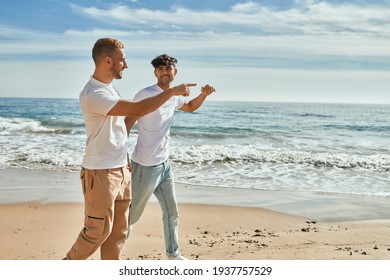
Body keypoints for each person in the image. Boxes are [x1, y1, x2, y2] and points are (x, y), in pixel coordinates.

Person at [64, 39, 195, 260]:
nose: (126, 65)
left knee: (118, 233)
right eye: (122, 60)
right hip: (101, 172)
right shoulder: (95, 94)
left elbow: (116, 129)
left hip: (120, 169)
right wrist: (172, 92)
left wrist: (124, 157)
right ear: (108, 61)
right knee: (96, 234)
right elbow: (139, 109)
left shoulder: (108, 88)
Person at [125, 54, 216, 260]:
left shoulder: (175, 95)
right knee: (131, 215)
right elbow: (127, 123)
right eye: (160, 69)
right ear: (155, 72)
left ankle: (173, 254)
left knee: (172, 212)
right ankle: (112, 252)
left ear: (175, 71)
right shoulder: (145, 94)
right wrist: (123, 155)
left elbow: (190, 107)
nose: (165, 72)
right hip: (145, 166)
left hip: (164, 165)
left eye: (168, 68)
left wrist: (204, 94)